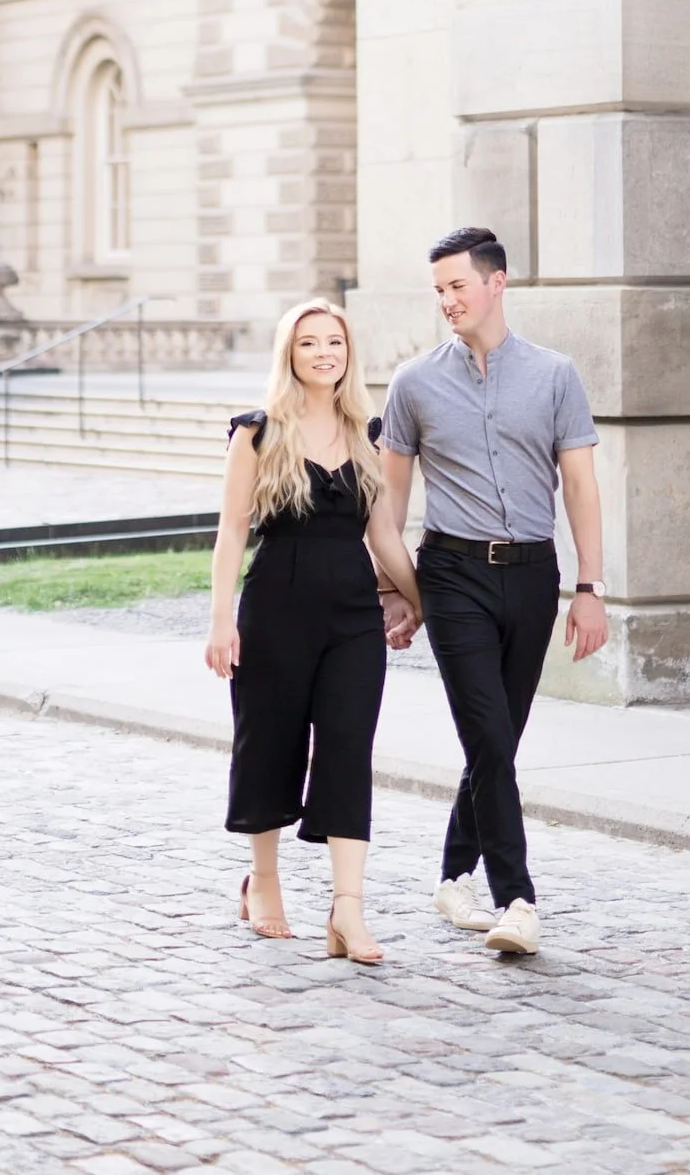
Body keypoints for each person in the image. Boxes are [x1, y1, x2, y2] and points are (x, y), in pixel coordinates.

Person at [379, 227, 608, 959]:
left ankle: (453, 875)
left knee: (496, 741)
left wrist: (589, 587)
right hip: (450, 575)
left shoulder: (554, 375)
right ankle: (517, 898)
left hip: (533, 575)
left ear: (497, 282)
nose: (447, 300)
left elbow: (579, 485)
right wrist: (395, 590)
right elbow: (388, 498)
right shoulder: (413, 383)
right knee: (485, 732)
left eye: (458, 285)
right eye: (438, 289)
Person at [205, 296, 422, 964]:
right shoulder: (259, 432)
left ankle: (347, 912)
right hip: (273, 610)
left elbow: (383, 535)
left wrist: (418, 603)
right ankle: (262, 881)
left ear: (347, 352)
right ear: (289, 355)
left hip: (352, 616)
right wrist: (220, 621)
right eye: (308, 343)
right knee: (269, 743)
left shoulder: (368, 434)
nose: (323, 351)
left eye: (334, 341)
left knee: (347, 750)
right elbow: (231, 531)